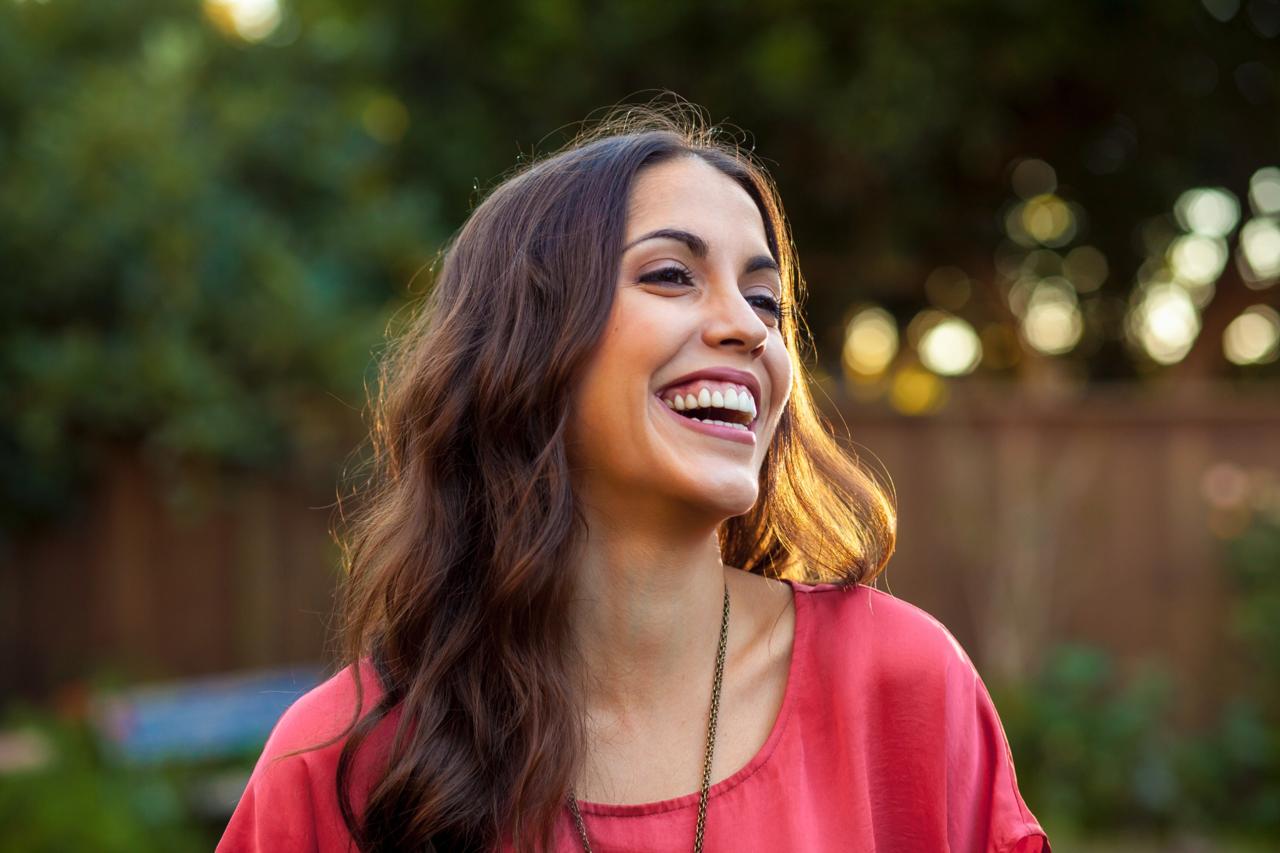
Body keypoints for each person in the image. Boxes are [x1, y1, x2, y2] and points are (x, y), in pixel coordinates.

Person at [217, 105, 1051, 852]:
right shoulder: (345, 759)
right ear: (524, 350)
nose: (746, 329)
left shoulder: (899, 685)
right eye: (670, 274)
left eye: (765, 299)